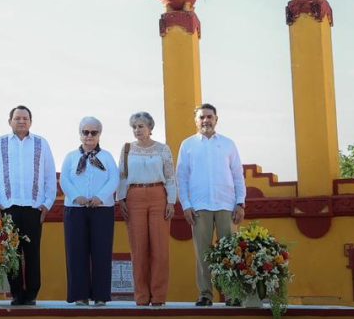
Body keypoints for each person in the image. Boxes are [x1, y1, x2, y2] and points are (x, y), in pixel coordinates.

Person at [0, 105, 57, 306]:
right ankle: (16, 293)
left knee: (33, 253)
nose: (22, 121)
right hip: (9, 207)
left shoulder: (42, 144)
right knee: (11, 253)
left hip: (34, 208)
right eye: (17, 118)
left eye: (25, 118)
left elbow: (50, 175)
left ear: (30, 122)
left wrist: (47, 203)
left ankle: (32, 293)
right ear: (10, 122)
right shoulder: (0, 143)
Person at [176, 103, 246, 307]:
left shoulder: (228, 144)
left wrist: (240, 203)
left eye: (209, 116)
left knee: (230, 252)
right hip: (199, 206)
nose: (205, 120)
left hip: (226, 204)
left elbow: (237, 175)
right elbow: (182, 177)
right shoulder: (187, 145)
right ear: (195, 120)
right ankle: (205, 294)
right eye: (201, 117)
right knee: (203, 253)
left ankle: (232, 293)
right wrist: (186, 205)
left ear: (216, 119)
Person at [116, 111, 177, 307]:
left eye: (141, 126)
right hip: (134, 198)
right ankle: (141, 297)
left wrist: (171, 202)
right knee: (138, 248)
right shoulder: (126, 149)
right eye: (134, 127)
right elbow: (122, 176)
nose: (137, 130)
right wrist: (121, 200)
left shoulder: (162, 149)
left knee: (160, 249)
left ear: (150, 128)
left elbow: (170, 176)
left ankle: (158, 297)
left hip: (159, 196)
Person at [59, 116, 117, 307]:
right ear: (80, 133)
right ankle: (80, 295)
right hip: (75, 210)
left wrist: (100, 196)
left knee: (101, 252)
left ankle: (101, 295)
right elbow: (65, 180)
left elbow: (114, 179)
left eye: (94, 132)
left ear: (99, 134)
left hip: (102, 210)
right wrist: (77, 196)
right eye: (86, 132)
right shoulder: (70, 157)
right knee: (76, 253)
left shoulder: (107, 157)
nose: (89, 136)